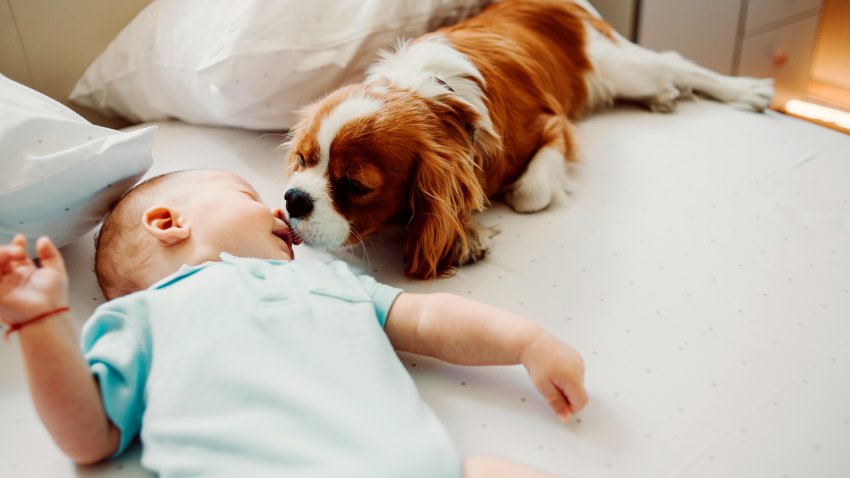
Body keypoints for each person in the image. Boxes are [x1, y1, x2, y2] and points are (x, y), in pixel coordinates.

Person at [0, 169, 588, 478]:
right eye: (246, 193)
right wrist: (42, 322)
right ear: (167, 222)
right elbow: (88, 437)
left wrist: (525, 341)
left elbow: (429, 315)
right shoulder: (141, 317)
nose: (280, 209)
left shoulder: (328, 280)